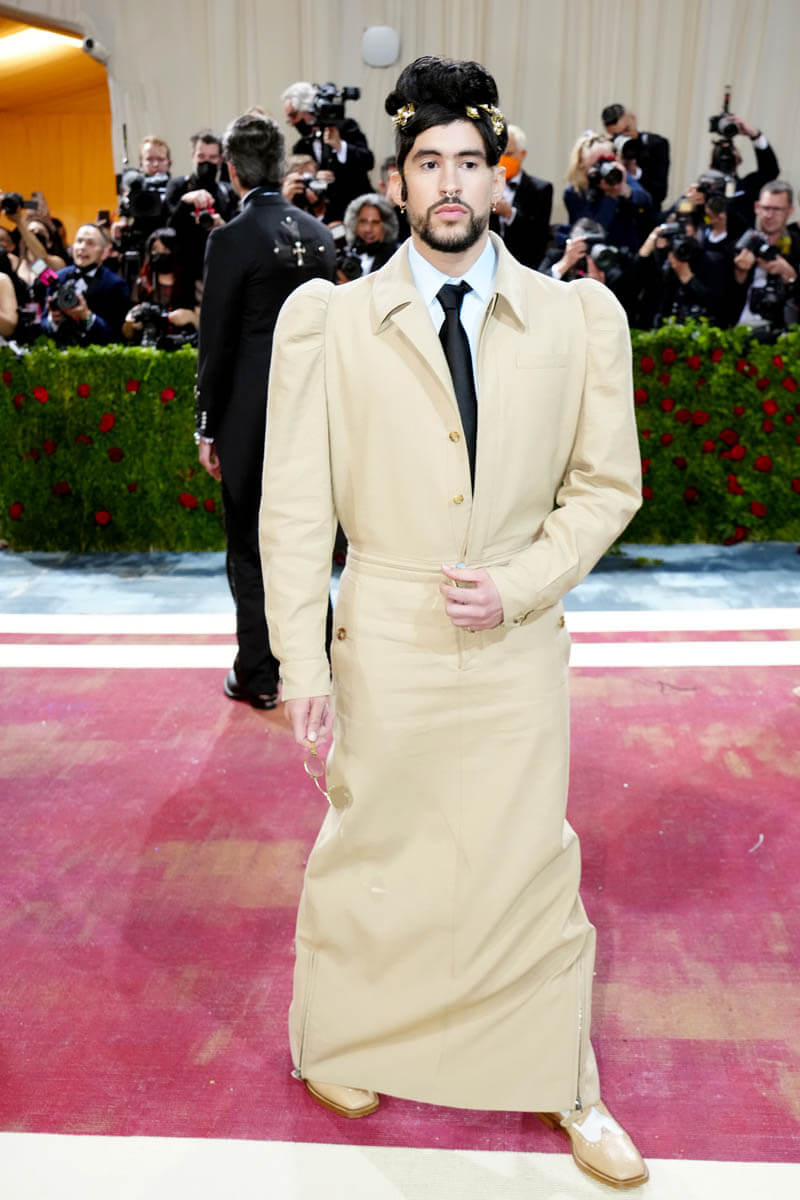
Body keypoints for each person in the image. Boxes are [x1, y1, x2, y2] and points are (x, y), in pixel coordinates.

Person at [260, 55, 647, 1190]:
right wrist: (300, 665)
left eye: (468, 163)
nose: (448, 183)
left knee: (528, 860)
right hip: (382, 633)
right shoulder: (328, 321)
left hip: (516, 639)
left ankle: (563, 1080)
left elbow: (606, 487)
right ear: (396, 181)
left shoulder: (577, 317)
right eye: (427, 163)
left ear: (498, 181)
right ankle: (340, 1040)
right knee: (372, 851)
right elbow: (295, 507)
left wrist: (521, 583)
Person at [195, 112, 336, 709]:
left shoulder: (230, 239)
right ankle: (322, 664)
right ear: (281, 166)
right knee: (308, 541)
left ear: (231, 170)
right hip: (315, 414)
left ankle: (258, 673)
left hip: (249, 421)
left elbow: (216, 341)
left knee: (252, 549)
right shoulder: (322, 235)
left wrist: (206, 426)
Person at [281, 80, 374, 221]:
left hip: (356, 211)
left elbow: (368, 161)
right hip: (321, 216)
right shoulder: (300, 147)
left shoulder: (345, 127)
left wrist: (340, 146)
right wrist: (314, 178)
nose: (292, 123)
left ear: (308, 109)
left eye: (294, 115)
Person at [165, 130, 238, 286]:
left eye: (212, 157)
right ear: (193, 156)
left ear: (220, 159)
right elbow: (169, 227)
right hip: (184, 271)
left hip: (220, 269)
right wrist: (185, 202)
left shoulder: (228, 191)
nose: (206, 162)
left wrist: (222, 225)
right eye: (201, 156)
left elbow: (238, 233)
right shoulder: (177, 186)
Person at [40, 224, 130, 346]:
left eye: (90, 243)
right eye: (79, 241)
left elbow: (116, 335)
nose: (82, 247)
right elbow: (44, 324)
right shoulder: (58, 278)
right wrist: (54, 320)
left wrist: (86, 317)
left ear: (104, 252)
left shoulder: (115, 284)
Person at [563, 133, 653, 254]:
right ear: (582, 165)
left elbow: (646, 202)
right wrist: (611, 196)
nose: (604, 168)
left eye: (608, 161)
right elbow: (592, 231)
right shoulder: (574, 192)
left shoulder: (619, 177)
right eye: (597, 164)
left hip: (626, 252)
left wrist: (626, 190)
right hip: (596, 255)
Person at [731, 179, 800, 335]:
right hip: (739, 332)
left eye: (777, 209)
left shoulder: (796, 245)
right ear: (756, 207)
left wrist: (791, 276)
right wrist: (740, 273)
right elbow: (720, 296)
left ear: (790, 211)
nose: (770, 215)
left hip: (783, 334)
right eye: (766, 208)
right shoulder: (742, 243)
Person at [492, 123, 553, 268]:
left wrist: (509, 213)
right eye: (499, 154)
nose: (503, 159)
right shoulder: (485, 185)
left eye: (509, 154)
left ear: (522, 154)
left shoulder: (541, 189)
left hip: (524, 264)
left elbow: (539, 235)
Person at [601, 103, 670, 212]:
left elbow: (660, 193)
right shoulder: (605, 148)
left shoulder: (656, 145)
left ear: (633, 119)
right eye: (617, 136)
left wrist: (635, 173)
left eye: (626, 130)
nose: (624, 137)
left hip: (646, 215)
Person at [341, 192, 400, 277]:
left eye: (375, 222)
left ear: (386, 226)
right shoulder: (345, 254)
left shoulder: (397, 258)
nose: (368, 229)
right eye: (363, 221)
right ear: (354, 224)